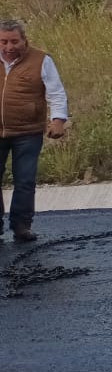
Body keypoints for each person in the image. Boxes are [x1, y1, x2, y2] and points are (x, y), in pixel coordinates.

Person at [0, 19, 69, 242]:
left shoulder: (41, 60)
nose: (9, 47)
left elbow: (56, 92)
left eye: (14, 41)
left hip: (27, 132)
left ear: (24, 40)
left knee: (25, 180)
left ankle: (21, 226)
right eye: (3, 42)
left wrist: (58, 120)